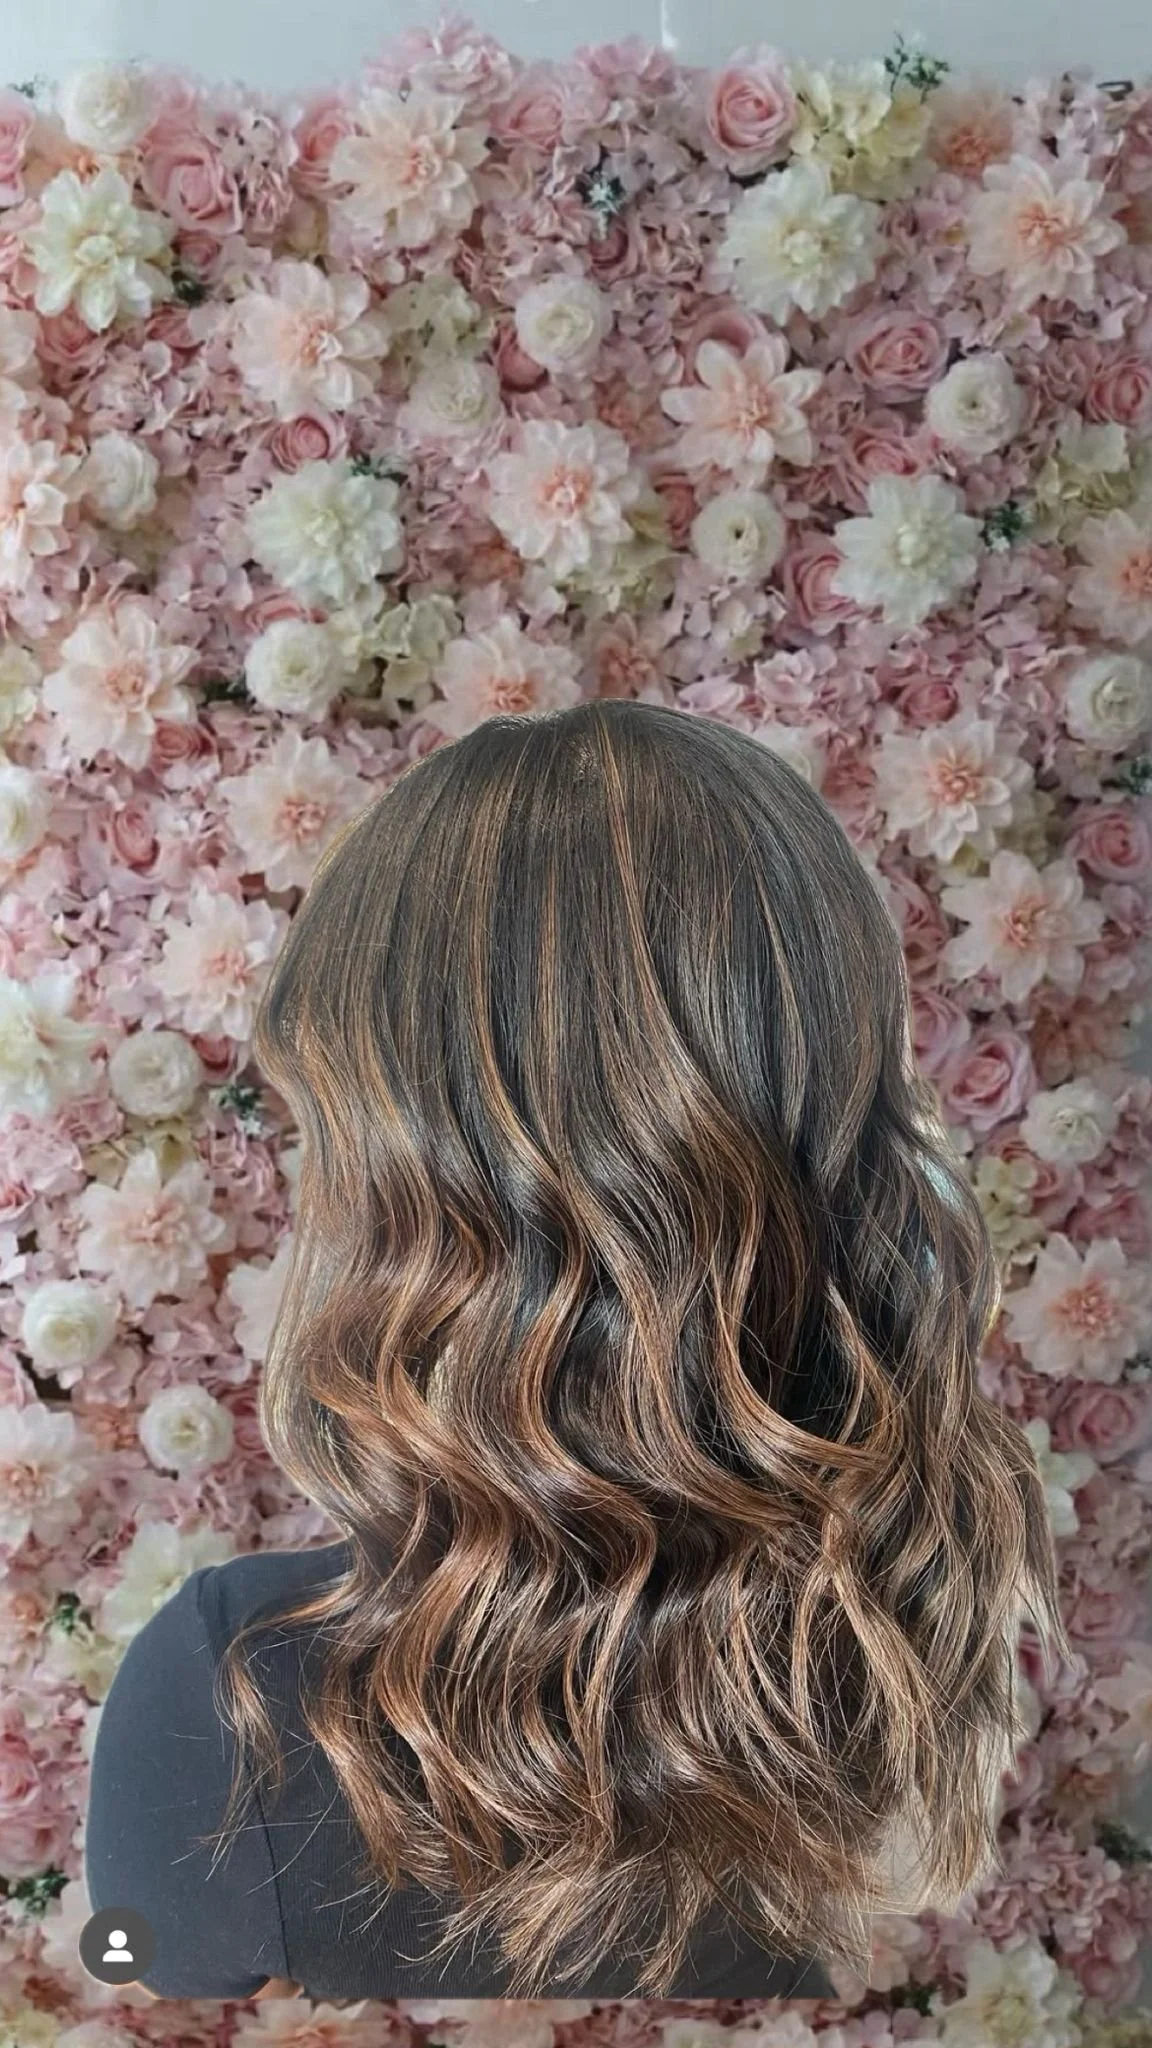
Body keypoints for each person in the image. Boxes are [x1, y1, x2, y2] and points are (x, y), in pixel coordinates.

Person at [84, 699, 1068, 2003]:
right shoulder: (936, 1638)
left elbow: (136, 1981)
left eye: (320, 1127)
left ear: (414, 1173)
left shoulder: (235, 1701)